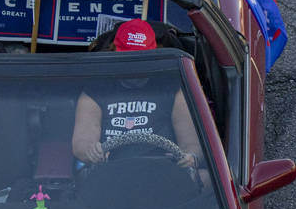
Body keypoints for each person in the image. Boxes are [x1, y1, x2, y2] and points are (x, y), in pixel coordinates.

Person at [71, 19, 203, 169]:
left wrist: (190, 157)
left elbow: (192, 144)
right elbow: (82, 141)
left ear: (154, 53)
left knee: (204, 180)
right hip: (111, 172)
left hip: (162, 172)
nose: (134, 65)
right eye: (128, 57)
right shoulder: (95, 90)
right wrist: (91, 151)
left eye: (141, 57)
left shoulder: (172, 88)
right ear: (114, 51)